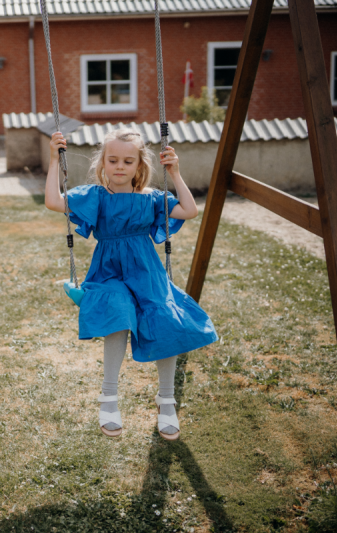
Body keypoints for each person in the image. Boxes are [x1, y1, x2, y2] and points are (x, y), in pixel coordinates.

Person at [44, 129, 217, 440]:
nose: (120, 167)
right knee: (118, 311)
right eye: (113, 160)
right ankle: (108, 396)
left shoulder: (150, 198)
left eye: (128, 161)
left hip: (146, 272)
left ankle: (167, 400)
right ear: (103, 163)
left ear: (139, 165)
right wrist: (55, 160)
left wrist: (175, 174)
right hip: (108, 272)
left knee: (165, 320)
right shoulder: (96, 196)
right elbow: (53, 202)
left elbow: (190, 211)